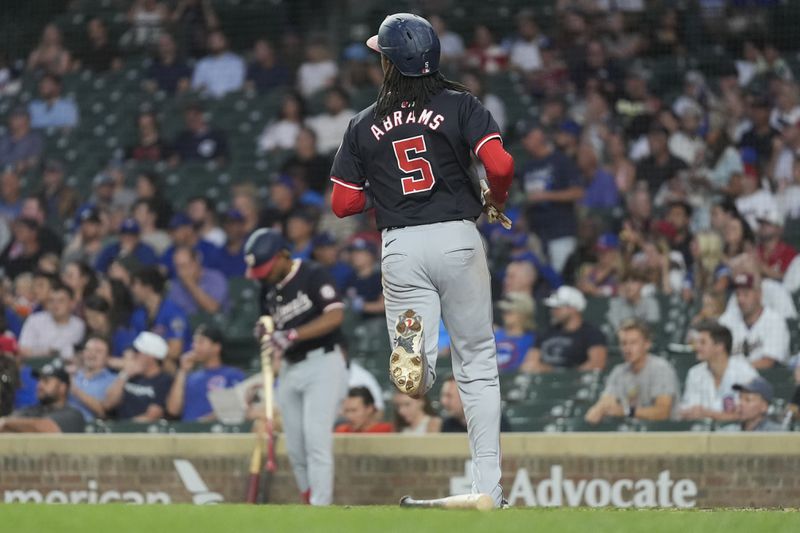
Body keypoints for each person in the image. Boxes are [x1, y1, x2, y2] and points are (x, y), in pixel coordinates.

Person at [329, 13, 514, 507]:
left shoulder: (364, 122)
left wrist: (380, 193)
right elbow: (500, 164)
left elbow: (342, 204)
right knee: (476, 362)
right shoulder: (460, 103)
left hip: (401, 246)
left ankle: (417, 359)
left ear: (389, 63)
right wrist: (495, 196)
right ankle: (489, 490)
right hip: (457, 236)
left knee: (417, 378)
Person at [244, 228, 348, 506]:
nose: (263, 274)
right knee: (295, 448)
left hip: (323, 361)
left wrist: (292, 334)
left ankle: (320, 509)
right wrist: (264, 332)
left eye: (267, 267)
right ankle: (308, 501)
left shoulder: (312, 274)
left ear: (282, 256)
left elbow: (335, 315)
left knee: (316, 441)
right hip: (291, 366)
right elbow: (266, 322)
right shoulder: (266, 288)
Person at [584, 320, 680, 425]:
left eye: (633, 343)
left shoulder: (661, 368)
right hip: (631, 434)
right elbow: (604, 403)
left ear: (647, 344)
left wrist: (627, 411)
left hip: (662, 434)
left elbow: (663, 412)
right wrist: (598, 410)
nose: (628, 349)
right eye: (624, 343)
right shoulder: (618, 372)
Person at [519, 122, 584, 273]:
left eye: (528, 137)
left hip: (560, 230)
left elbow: (578, 192)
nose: (524, 142)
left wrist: (546, 195)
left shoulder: (560, 161)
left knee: (560, 276)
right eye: (523, 138)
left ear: (539, 136)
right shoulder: (527, 166)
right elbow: (526, 197)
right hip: (536, 233)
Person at [680, 321, 758, 422]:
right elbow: (687, 410)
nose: (697, 347)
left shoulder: (744, 372)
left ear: (719, 346)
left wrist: (709, 413)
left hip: (737, 434)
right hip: (700, 433)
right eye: (697, 342)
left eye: (703, 342)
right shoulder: (694, 373)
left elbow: (752, 413)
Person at [166, 324, 245, 421]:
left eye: (200, 342)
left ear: (216, 347)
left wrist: (204, 422)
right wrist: (182, 371)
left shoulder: (232, 375)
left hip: (220, 433)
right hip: (188, 434)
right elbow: (173, 410)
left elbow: (238, 408)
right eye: (194, 342)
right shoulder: (189, 377)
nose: (194, 346)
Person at [521, 286, 607, 373]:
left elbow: (597, 364)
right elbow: (529, 363)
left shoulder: (592, 333)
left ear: (573, 308)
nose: (553, 311)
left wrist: (565, 374)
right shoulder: (547, 332)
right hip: (545, 382)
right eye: (552, 308)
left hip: (575, 384)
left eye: (558, 307)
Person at [719, 273, 789, 369]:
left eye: (745, 294)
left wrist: (735, 370)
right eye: (738, 294)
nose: (741, 299)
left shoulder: (774, 320)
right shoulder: (728, 319)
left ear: (759, 295)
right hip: (732, 379)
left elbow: (768, 362)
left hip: (767, 379)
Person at [129, 267, 191, 370]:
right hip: (148, 363)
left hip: (177, 364)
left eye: (135, 284)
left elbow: (175, 351)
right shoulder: (138, 315)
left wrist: (149, 351)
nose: (133, 290)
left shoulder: (173, 312)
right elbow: (135, 346)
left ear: (148, 287)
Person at [104, 331, 173, 421]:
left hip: (140, 432)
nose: (133, 355)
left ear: (151, 357)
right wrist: (124, 374)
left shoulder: (164, 381)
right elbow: (108, 404)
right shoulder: (129, 375)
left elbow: (152, 416)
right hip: (119, 429)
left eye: (138, 352)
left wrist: (123, 429)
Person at [0, 362, 84, 433]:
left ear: (62, 387)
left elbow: (47, 428)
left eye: (46, 381)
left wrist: (7, 423)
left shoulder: (73, 414)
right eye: (39, 381)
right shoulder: (30, 410)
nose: (39, 385)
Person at [18, 283, 85, 360]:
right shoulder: (34, 320)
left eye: (61, 300)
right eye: (51, 300)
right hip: (35, 366)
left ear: (72, 303)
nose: (55, 304)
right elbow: (22, 350)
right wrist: (47, 353)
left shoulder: (79, 325)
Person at [167, 245, 228, 316]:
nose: (180, 272)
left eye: (184, 266)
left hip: (217, 324)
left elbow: (213, 309)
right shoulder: (176, 285)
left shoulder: (215, 277)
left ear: (196, 261)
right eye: (177, 267)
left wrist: (190, 284)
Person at [439, 375, 511, 432]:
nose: (443, 401)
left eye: (449, 396)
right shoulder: (447, 425)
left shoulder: (495, 422)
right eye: (443, 395)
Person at [68, 335, 116, 422]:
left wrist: (75, 390)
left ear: (107, 357)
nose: (92, 354)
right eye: (88, 350)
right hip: (62, 425)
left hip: (91, 429)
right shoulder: (72, 375)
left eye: (98, 351)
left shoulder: (113, 381)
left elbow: (103, 412)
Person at [191, 30, 245, 98]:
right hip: (207, 101)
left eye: (217, 40)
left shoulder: (236, 62)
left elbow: (237, 85)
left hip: (229, 100)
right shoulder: (202, 64)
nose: (214, 43)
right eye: (212, 40)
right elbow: (196, 86)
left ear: (225, 41)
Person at [94, 218, 159, 274]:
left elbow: (148, 274)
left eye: (132, 234)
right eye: (124, 233)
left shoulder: (147, 251)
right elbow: (99, 270)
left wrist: (126, 254)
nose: (127, 237)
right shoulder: (111, 249)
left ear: (138, 236)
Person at [494, 292, 536, 374]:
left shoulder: (533, 339)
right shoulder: (493, 335)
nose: (504, 315)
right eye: (504, 312)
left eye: (509, 312)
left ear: (523, 314)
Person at [0, 107, 43, 172]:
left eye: (19, 117)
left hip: (20, 173)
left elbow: (34, 160)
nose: (14, 120)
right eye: (13, 117)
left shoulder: (35, 138)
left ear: (27, 120)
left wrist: (25, 164)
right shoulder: (4, 136)